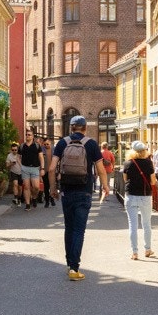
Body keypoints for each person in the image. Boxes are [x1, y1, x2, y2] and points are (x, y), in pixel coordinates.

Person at [53, 116, 102, 280]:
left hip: (67, 191)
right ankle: (74, 267)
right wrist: (106, 187)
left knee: (69, 227)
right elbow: (100, 168)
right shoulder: (91, 144)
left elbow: (52, 167)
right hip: (84, 191)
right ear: (85, 128)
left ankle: (69, 264)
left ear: (71, 128)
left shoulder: (62, 143)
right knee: (79, 230)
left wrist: (53, 188)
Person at [122, 140, 155, 260]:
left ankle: (134, 252)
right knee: (146, 224)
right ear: (144, 151)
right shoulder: (148, 164)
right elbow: (153, 181)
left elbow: (125, 179)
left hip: (131, 195)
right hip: (145, 196)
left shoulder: (127, 163)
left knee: (133, 225)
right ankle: (147, 249)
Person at [17, 130, 44, 210]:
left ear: (32, 136)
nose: (27, 136)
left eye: (29, 135)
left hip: (35, 168)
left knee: (36, 187)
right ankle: (28, 204)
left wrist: (42, 168)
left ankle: (34, 197)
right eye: (26, 135)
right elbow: (18, 157)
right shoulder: (22, 146)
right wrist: (21, 165)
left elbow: (41, 158)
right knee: (26, 187)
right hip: (25, 168)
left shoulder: (37, 146)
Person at [41, 137, 57, 208]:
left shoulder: (54, 150)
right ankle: (47, 201)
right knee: (46, 187)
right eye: (45, 144)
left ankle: (52, 199)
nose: (46, 145)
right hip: (45, 171)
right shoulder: (42, 150)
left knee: (52, 186)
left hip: (52, 171)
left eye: (47, 144)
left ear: (50, 143)